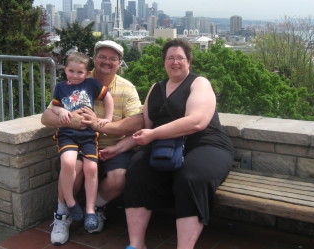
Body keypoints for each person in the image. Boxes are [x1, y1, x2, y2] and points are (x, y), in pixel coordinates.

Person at [123, 38, 234, 249]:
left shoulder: (198, 83)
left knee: (190, 177)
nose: (175, 62)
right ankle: (136, 244)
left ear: (189, 61)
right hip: (166, 145)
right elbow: (144, 128)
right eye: (170, 58)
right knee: (137, 170)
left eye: (180, 58)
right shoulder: (155, 88)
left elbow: (197, 121)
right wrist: (117, 148)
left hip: (205, 144)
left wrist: (154, 134)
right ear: (164, 62)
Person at [41, 40, 143, 246]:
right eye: (102, 57)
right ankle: (62, 215)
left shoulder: (127, 88)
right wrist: (72, 119)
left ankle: (94, 209)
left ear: (119, 62)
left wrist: (99, 125)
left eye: (112, 58)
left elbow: (137, 122)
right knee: (72, 167)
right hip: (80, 142)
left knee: (118, 178)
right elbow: (47, 117)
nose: (107, 62)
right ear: (94, 60)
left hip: (113, 145)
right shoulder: (77, 77)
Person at [50, 51, 114, 231]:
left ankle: (90, 210)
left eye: (80, 72)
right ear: (65, 70)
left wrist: (107, 118)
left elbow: (107, 97)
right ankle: (70, 202)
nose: (75, 75)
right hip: (67, 134)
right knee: (68, 163)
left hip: (87, 135)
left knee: (91, 167)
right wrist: (61, 111)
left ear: (87, 73)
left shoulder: (91, 84)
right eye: (71, 71)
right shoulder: (61, 87)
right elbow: (54, 107)